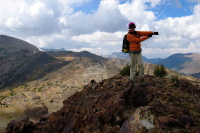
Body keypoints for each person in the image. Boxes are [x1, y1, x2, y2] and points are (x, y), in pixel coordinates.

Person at [127, 22, 159, 87]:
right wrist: (148, 37)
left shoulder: (137, 33)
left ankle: (142, 79)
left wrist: (152, 33)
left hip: (138, 52)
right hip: (132, 53)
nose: (133, 28)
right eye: (131, 27)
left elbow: (144, 33)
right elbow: (138, 40)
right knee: (133, 67)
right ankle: (132, 81)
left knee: (141, 65)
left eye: (134, 27)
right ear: (129, 28)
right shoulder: (129, 35)